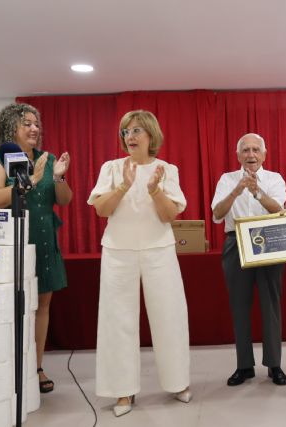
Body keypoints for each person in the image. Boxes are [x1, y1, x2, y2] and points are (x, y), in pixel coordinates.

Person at [87, 110, 191, 417]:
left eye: (135, 131)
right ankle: (122, 392)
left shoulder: (166, 169)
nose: (129, 137)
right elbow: (101, 211)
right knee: (117, 320)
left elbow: (169, 215)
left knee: (169, 315)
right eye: (125, 132)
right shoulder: (112, 168)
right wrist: (122, 186)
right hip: (118, 251)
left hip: (159, 249)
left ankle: (177, 382)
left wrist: (155, 190)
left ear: (150, 136)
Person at [0, 103, 72, 394]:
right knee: (16, 307)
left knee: (42, 306)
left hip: (44, 239)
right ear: (10, 128)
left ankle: (36, 366)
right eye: (27, 124)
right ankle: (12, 366)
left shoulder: (48, 158)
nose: (35, 129)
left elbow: (65, 200)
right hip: (12, 243)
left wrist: (57, 176)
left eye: (36, 124)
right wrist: (29, 182)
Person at [211, 133, 286, 386]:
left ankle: (274, 365)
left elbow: (279, 210)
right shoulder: (227, 179)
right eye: (245, 150)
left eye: (256, 150)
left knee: (271, 305)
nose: (251, 155)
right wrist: (237, 190)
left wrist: (257, 192)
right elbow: (217, 214)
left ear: (264, 155)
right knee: (239, 306)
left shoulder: (275, 178)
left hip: (269, 238)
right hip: (236, 240)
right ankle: (244, 366)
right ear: (238, 155)